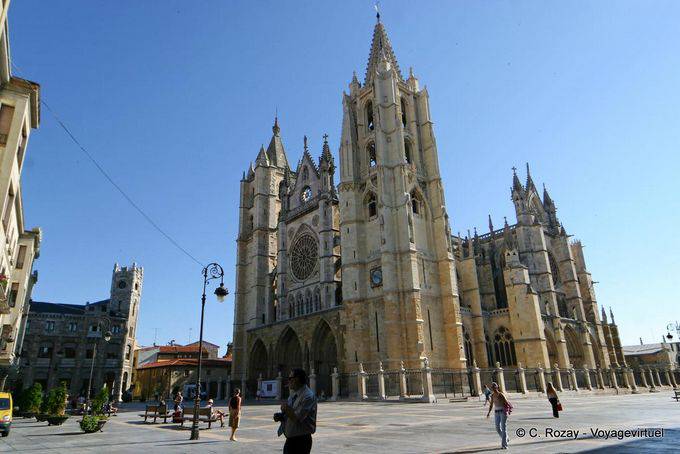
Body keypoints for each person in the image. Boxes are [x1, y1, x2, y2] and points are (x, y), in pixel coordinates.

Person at [276, 368, 317, 454]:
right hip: (291, 439)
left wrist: (286, 408)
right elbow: (291, 412)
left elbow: (297, 418)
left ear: (297, 379)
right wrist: (282, 416)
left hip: (301, 441)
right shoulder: (294, 394)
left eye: (290, 378)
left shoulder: (308, 396)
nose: (288, 381)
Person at [485, 382, 511, 450]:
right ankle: (506, 438)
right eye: (492, 387)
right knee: (497, 428)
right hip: (496, 412)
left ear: (497, 387)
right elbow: (491, 405)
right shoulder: (492, 395)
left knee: (503, 427)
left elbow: (507, 402)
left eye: (494, 387)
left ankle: (504, 445)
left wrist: (508, 410)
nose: (493, 388)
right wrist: (489, 412)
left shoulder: (501, 395)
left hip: (503, 412)